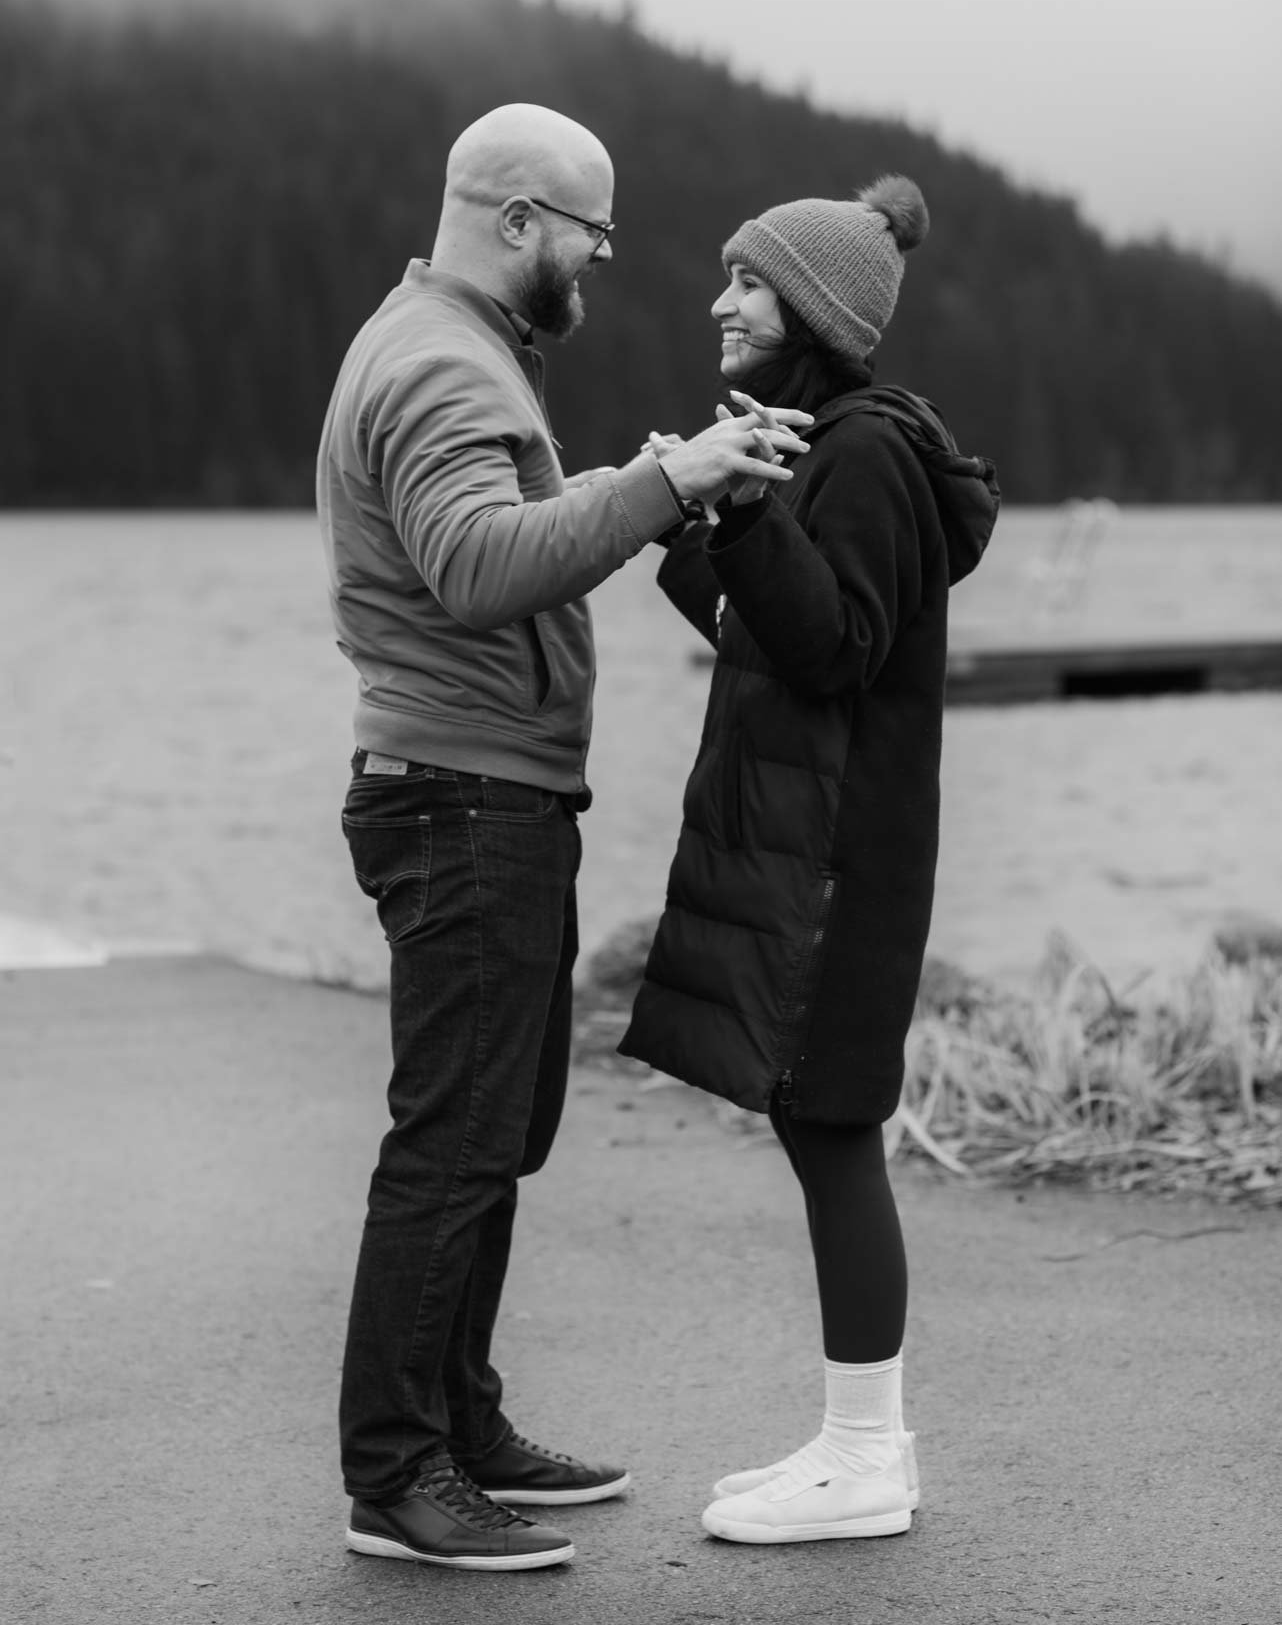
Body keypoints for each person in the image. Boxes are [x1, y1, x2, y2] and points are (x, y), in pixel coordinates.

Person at [315, 101, 812, 1573]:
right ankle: (396, 1476)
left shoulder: (451, 346)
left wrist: (638, 489)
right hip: (461, 800)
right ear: (518, 220)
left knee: (499, 1129)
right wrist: (668, 484)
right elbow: (476, 568)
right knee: (453, 1143)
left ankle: (459, 1422)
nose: (597, 257)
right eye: (589, 230)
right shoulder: (439, 368)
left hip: (488, 793)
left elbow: (501, 540)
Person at [618, 174, 1000, 1546]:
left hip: (845, 857)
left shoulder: (869, 456)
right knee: (811, 1116)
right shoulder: (821, 443)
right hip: (821, 849)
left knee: (830, 1122)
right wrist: (694, 517)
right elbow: (773, 628)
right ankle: (855, 1441)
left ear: (815, 315)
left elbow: (835, 644)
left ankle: (866, 1457)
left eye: (748, 282)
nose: (719, 301)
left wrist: (745, 512)